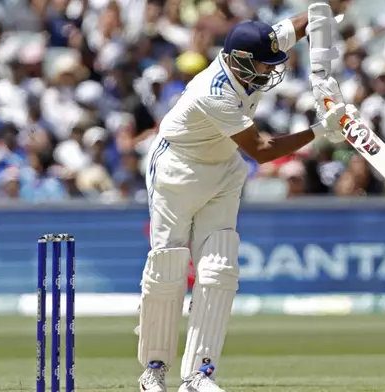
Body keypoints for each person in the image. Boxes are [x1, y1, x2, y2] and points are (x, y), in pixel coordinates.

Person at [137, 14, 348, 392]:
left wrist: (324, 29)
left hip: (223, 169)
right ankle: (154, 370)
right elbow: (262, 151)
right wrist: (320, 130)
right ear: (239, 60)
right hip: (178, 170)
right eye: (264, 64)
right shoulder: (214, 91)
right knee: (168, 267)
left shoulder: (255, 47)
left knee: (219, 270)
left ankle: (198, 375)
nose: (270, 69)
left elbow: (306, 20)